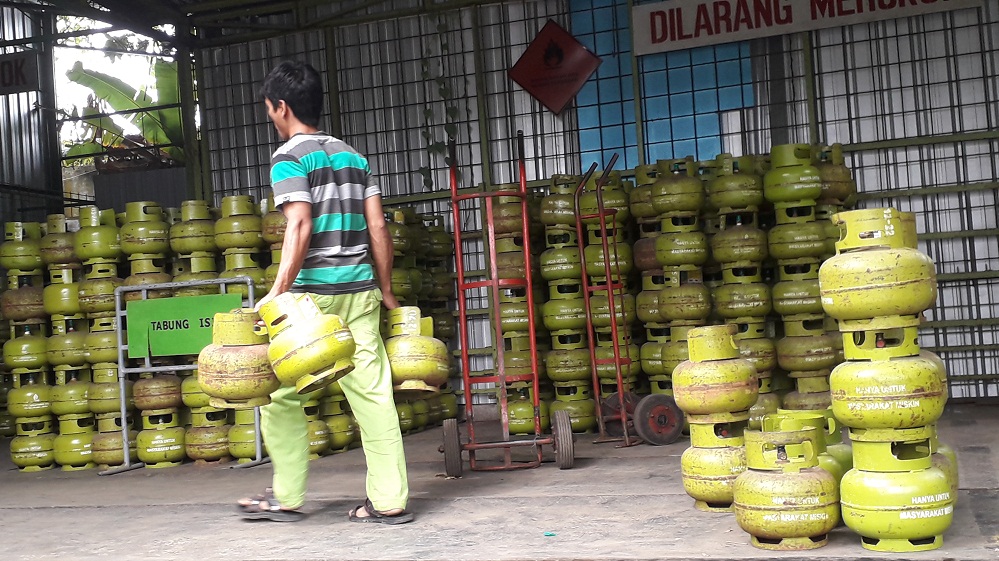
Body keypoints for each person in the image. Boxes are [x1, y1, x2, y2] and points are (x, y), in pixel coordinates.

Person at [237, 60, 412, 524]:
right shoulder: (354, 158)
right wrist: (387, 288)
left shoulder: (289, 157)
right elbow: (377, 225)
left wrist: (277, 291)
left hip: (311, 302)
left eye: (269, 108)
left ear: (281, 107)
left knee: (280, 395)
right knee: (373, 395)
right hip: (359, 291)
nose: (269, 116)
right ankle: (390, 499)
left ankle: (288, 496)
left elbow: (299, 222)